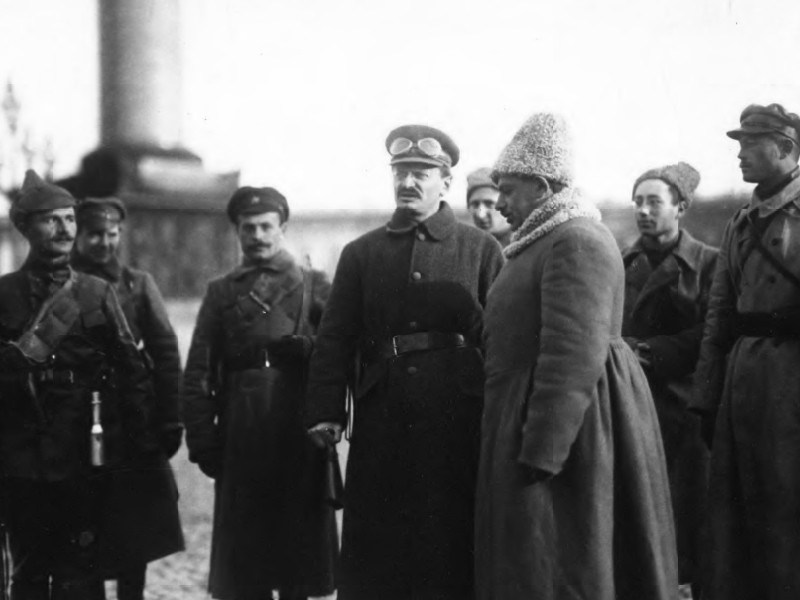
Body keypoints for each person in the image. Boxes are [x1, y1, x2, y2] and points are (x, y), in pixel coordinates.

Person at [475, 113, 678, 600]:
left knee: (567, 563)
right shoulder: (539, 241)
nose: (499, 202)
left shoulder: (577, 241)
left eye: (508, 189)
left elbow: (573, 356)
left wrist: (543, 450)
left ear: (543, 187)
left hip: (574, 439)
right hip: (537, 422)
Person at [304, 124, 504, 600]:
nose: (408, 183)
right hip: (383, 421)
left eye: (421, 173)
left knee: (450, 546)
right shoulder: (361, 253)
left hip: (457, 420)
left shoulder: (481, 250)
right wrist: (325, 409)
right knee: (382, 552)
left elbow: (500, 339)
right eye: (401, 172)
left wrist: (500, 410)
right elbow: (334, 339)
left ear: (445, 182)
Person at [0, 170, 154, 600]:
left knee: (81, 571)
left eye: (70, 219)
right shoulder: (4, 295)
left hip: (84, 451)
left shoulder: (95, 293)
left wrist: (140, 447)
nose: (65, 229)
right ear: (26, 227)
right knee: (28, 571)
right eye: (52, 220)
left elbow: (132, 372)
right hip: (20, 456)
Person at [182, 186, 336, 600]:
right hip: (241, 434)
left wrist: (314, 350)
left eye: (267, 226)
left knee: (297, 563)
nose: (258, 236)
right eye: (248, 228)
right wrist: (202, 440)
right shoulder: (222, 291)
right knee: (245, 568)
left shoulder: (313, 284)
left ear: (282, 228)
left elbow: (343, 351)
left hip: (299, 433)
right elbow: (198, 367)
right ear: (237, 232)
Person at [692, 103, 800, 600]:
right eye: (738, 145)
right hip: (743, 384)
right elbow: (719, 317)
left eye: (752, 145)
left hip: (792, 382)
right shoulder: (741, 221)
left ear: (787, 148)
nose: (741, 155)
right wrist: (706, 397)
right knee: (737, 517)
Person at [70, 197, 184, 600]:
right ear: (78, 236)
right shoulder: (66, 284)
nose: (104, 243)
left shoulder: (138, 284)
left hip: (133, 421)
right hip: (78, 423)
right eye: (95, 234)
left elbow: (166, 352)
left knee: (135, 529)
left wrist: (170, 419)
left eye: (112, 234)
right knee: (87, 524)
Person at [622, 162, 717, 597]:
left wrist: (654, 353)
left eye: (654, 201)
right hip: (631, 401)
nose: (644, 210)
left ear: (680, 207)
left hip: (686, 405)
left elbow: (713, 330)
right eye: (638, 201)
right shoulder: (619, 261)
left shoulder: (709, 265)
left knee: (687, 510)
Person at [466, 167, 511, 246]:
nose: (481, 215)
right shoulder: (465, 248)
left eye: (489, 204)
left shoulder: (528, 247)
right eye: (475, 205)